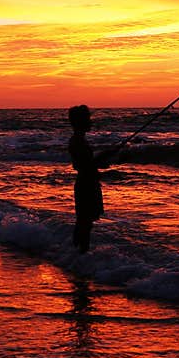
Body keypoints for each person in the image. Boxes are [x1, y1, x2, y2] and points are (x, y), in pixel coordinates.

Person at [67, 105, 112, 253]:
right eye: (88, 119)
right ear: (81, 122)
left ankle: (76, 255)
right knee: (85, 223)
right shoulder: (77, 141)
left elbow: (87, 164)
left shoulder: (77, 140)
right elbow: (86, 165)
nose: (90, 121)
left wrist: (103, 157)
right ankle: (79, 255)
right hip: (86, 184)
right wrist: (104, 156)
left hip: (86, 182)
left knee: (84, 222)